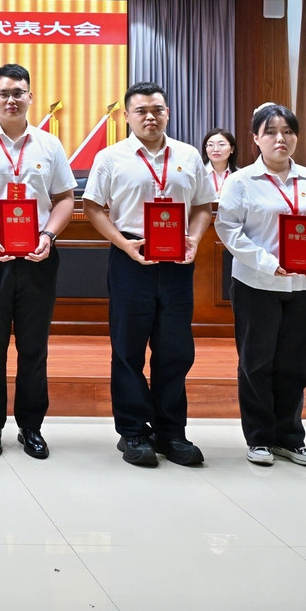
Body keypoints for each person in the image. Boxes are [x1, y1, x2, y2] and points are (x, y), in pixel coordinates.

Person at [82, 82, 215, 468]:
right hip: (131, 257)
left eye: (157, 109)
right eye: (141, 111)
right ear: (127, 116)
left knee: (175, 349)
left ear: (168, 112)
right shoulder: (111, 157)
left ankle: (171, 431)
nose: (150, 117)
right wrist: (123, 245)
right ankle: (133, 432)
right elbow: (92, 207)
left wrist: (194, 239)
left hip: (177, 262)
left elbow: (203, 206)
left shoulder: (188, 156)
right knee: (128, 348)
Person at [0, 64, 75, 460]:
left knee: (34, 346)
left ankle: (31, 427)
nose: (11, 100)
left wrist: (48, 235)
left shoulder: (49, 145)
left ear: (30, 97)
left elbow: (65, 198)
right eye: (3, 93)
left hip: (39, 254)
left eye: (18, 92)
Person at [215, 103, 306, 468]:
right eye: (270, 132)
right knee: (256, 362)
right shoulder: (241, 182)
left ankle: (290, 438)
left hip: (305, 285)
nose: (280, 139)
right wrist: (269, 263)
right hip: (257, 283)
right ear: (255, 139)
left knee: (295, 363)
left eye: (287, 131)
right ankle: (259, 438)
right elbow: (229, 229)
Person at [202, 127, 237, 202]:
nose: (216, 149)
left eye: (221, 144)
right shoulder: (199, 175)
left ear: (232, 149)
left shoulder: (240, 175)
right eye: (210, 145)